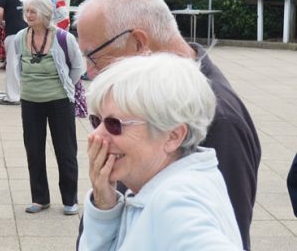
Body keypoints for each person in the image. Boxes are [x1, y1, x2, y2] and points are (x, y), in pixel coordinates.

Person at [75, 0, 261, 250]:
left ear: (138, 43)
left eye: (93, 55)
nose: (89, 71)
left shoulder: (217, 120)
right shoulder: (178, 99)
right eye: (98, 121)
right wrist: (105, 206)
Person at [79, 53, 243, 250]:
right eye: (97, 121)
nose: (96, 135)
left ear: (173, 136)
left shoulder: (175, 202)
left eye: (114, 124)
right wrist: (104, 209)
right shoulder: (174, 183)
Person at [14, 0, 83, 215]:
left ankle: (70, 199)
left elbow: (77, 68)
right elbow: (19, 66)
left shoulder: (64, 38)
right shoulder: (19, 38)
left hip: (60, 102)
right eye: (26, 11)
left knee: (66, 151)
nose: (28, 15)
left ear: (45, 13)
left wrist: (64, 89)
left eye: (33, 11)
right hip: (30, 101)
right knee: (33, 150)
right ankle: (40, 198)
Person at [0, 0, 32, 106]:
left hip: (13, 31)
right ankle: (26, 94)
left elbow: (0, 10)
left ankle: (13, 96)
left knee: (12, 64)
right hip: (28, 30)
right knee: (25, 63)